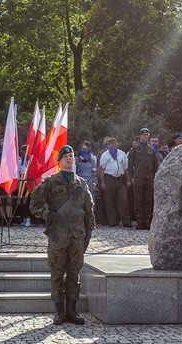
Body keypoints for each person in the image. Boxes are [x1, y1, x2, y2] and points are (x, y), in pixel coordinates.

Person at [30, 145, 95, 326]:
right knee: (57, 273)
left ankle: (72, 312)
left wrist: (89, 233)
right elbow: (34, 203)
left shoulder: (81, 184)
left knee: (74, 274)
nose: (68, 158)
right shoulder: (50, 182)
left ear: (74, 160)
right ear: (59, 161)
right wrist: (48, 215)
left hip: (77, 236)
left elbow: (89, 210)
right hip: (58, 237)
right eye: (65, 156)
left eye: (71, 156)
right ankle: (59, 312)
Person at [128, 128, 159, 230]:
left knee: (148, 200)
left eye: (147, 135)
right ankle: (139, 222)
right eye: (144, 135)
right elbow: (130, 164)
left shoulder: (151, 149)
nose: (146, 136)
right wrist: (131, 177)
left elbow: (155, 165)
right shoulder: (135, 148)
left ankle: (147, 222)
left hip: (149, 178)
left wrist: (155, 177)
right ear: (140, 136)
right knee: (138, 200)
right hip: (138, 178)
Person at [99, 137, 131, 227]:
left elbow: (126, 168)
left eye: (114, 144)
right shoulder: (105, 155)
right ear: (108, 146)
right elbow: (101, 169)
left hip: (120, 179)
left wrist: (128, 180)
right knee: (109, 200)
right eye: (111, 144)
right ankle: (112, 221)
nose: (113, 146)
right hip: (109, 178)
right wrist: (102, 182)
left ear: (117, 144)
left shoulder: (122, 154)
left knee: (123, 200)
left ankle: (126, 221)